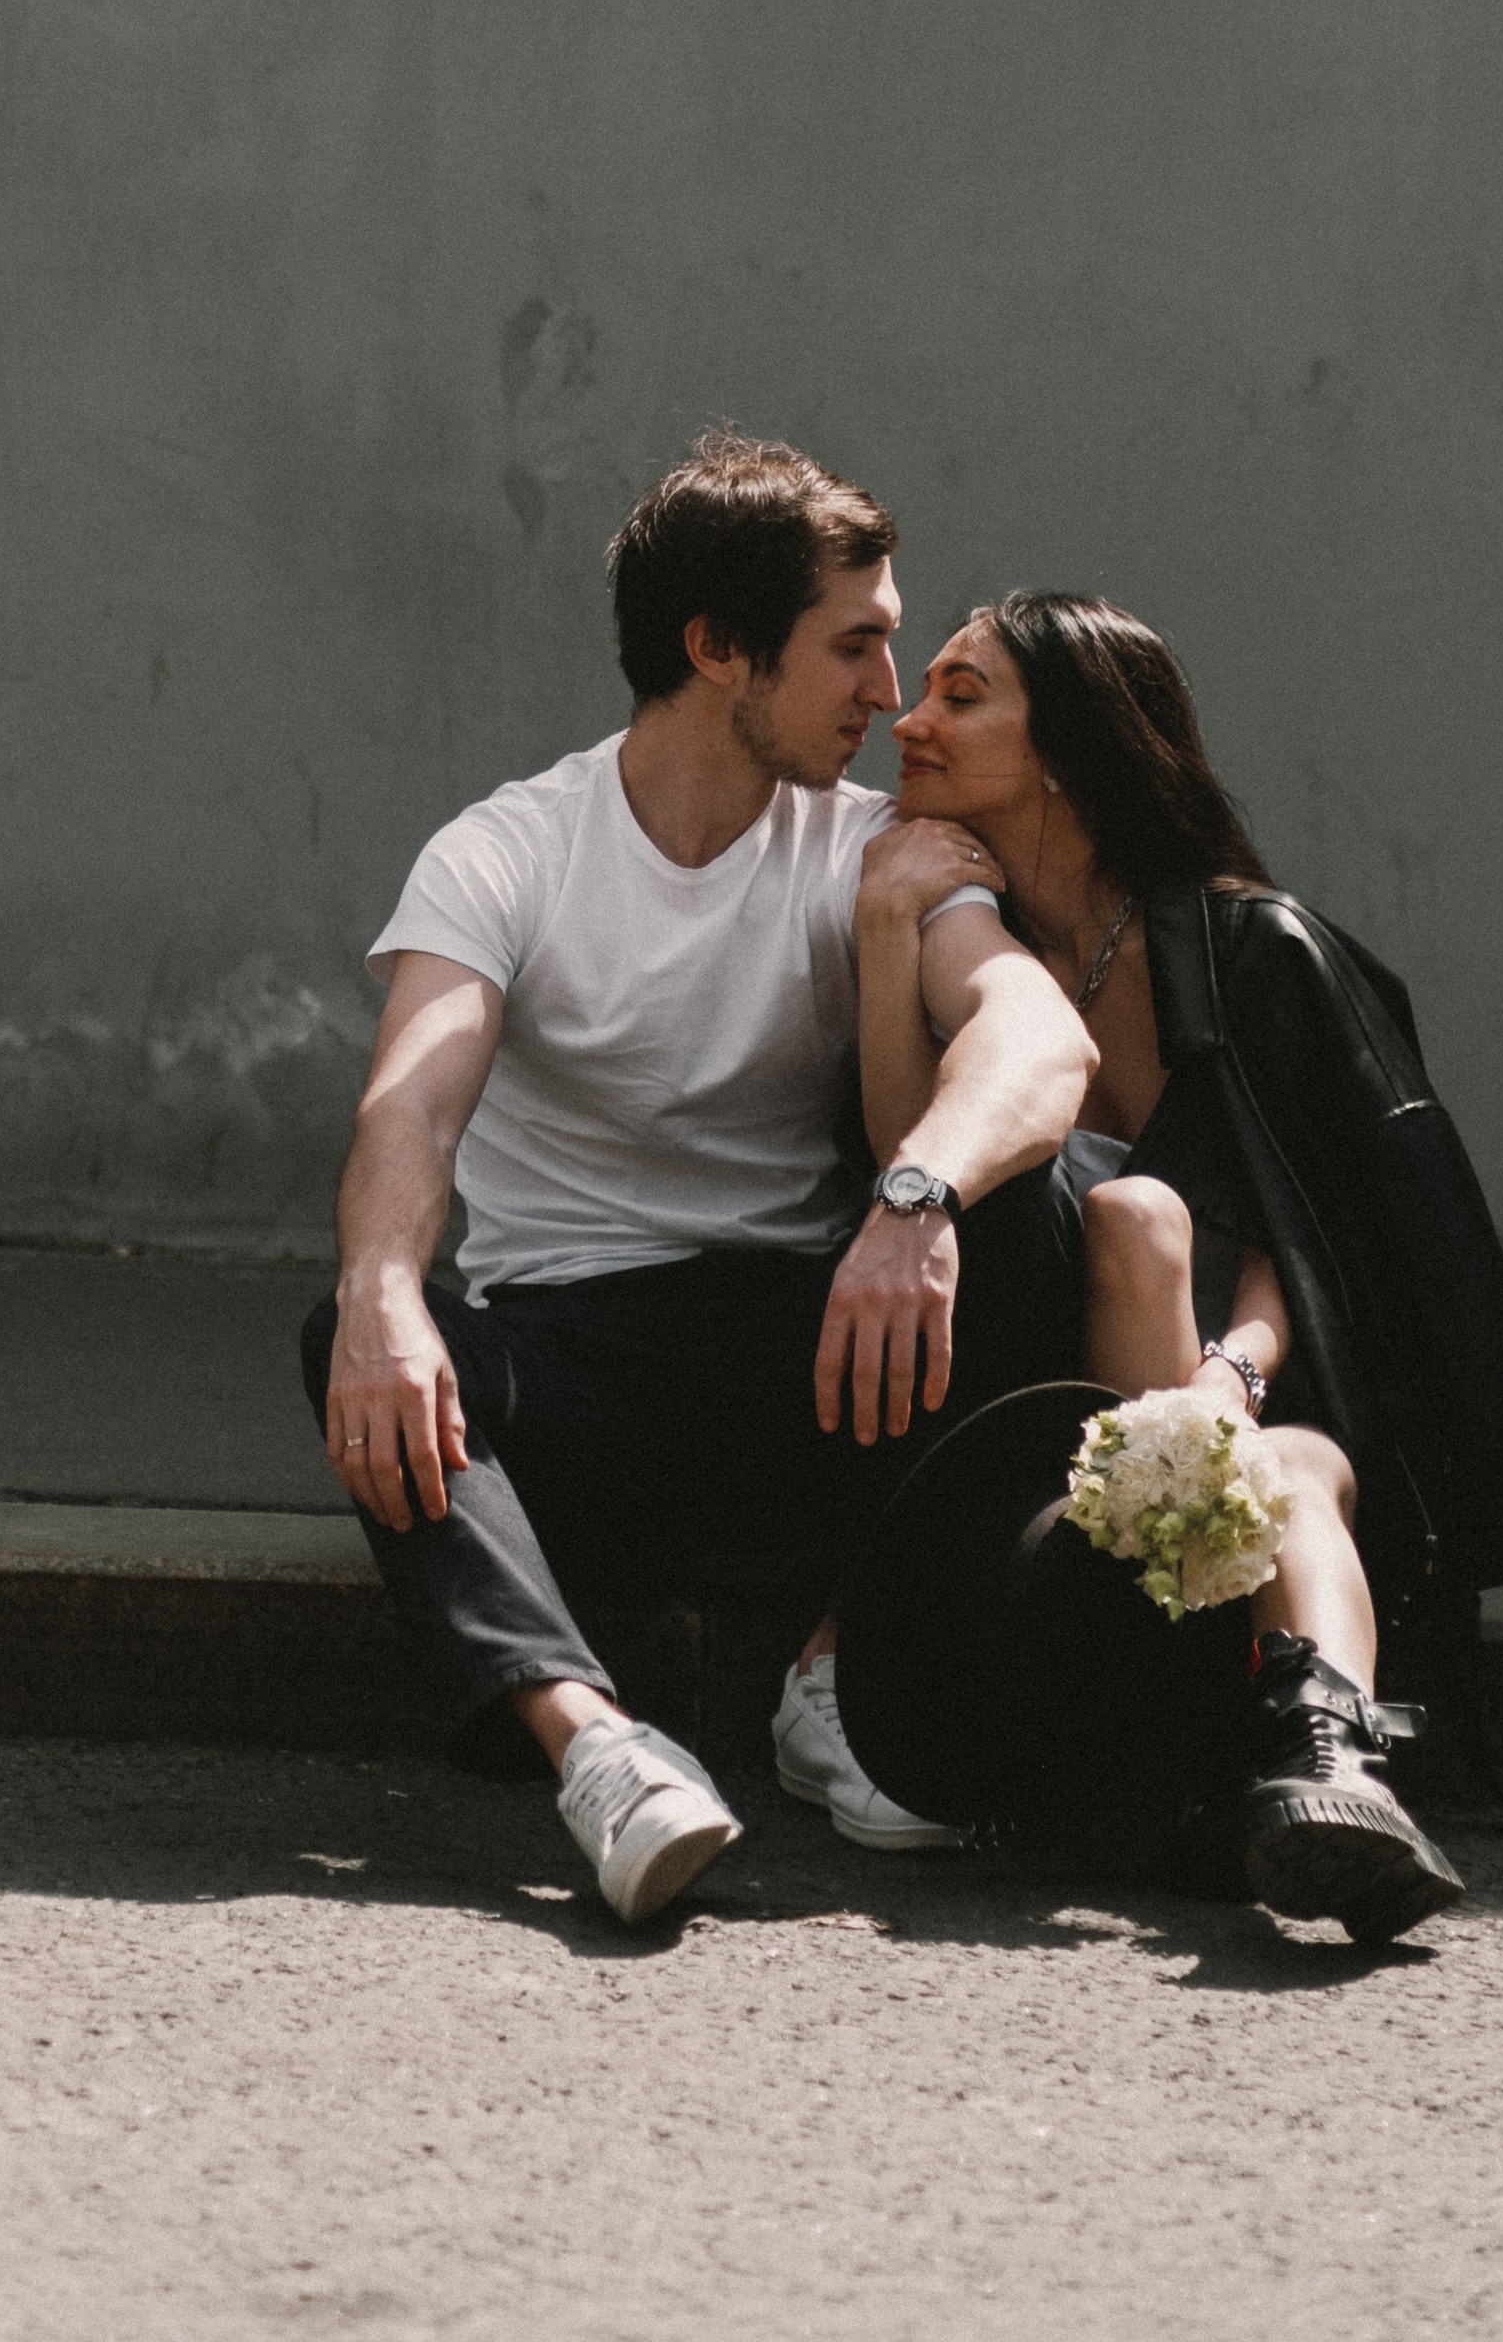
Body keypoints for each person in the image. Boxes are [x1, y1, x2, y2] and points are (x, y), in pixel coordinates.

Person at [302, 431, 1099, 1924]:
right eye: (852, 646)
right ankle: (597, 1751)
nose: (888, 693)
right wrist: (382, 1294)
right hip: (578, 1377)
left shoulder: (874, 849)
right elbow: (410, 1109)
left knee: (1016, 1206)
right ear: (719, 647)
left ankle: (841, 1680)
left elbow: (1039, 1041)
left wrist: (916, 1198)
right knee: (365, 1321)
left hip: (811, 1369)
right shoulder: (506, 854)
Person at [836, 590, 1503, 1939]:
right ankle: (1249, 1753)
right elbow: (913, 1156)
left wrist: (1224, 1383)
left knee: (1280, 1455)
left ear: (1068, 748)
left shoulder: (1251, 949)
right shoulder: (978, 943)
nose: (912, 718)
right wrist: (890, 927)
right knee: (1137, 1228)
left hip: (1273, 1382)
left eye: (961, 693)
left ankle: (1331, 1769)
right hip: (1058, 1432)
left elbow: (1317, 1230)